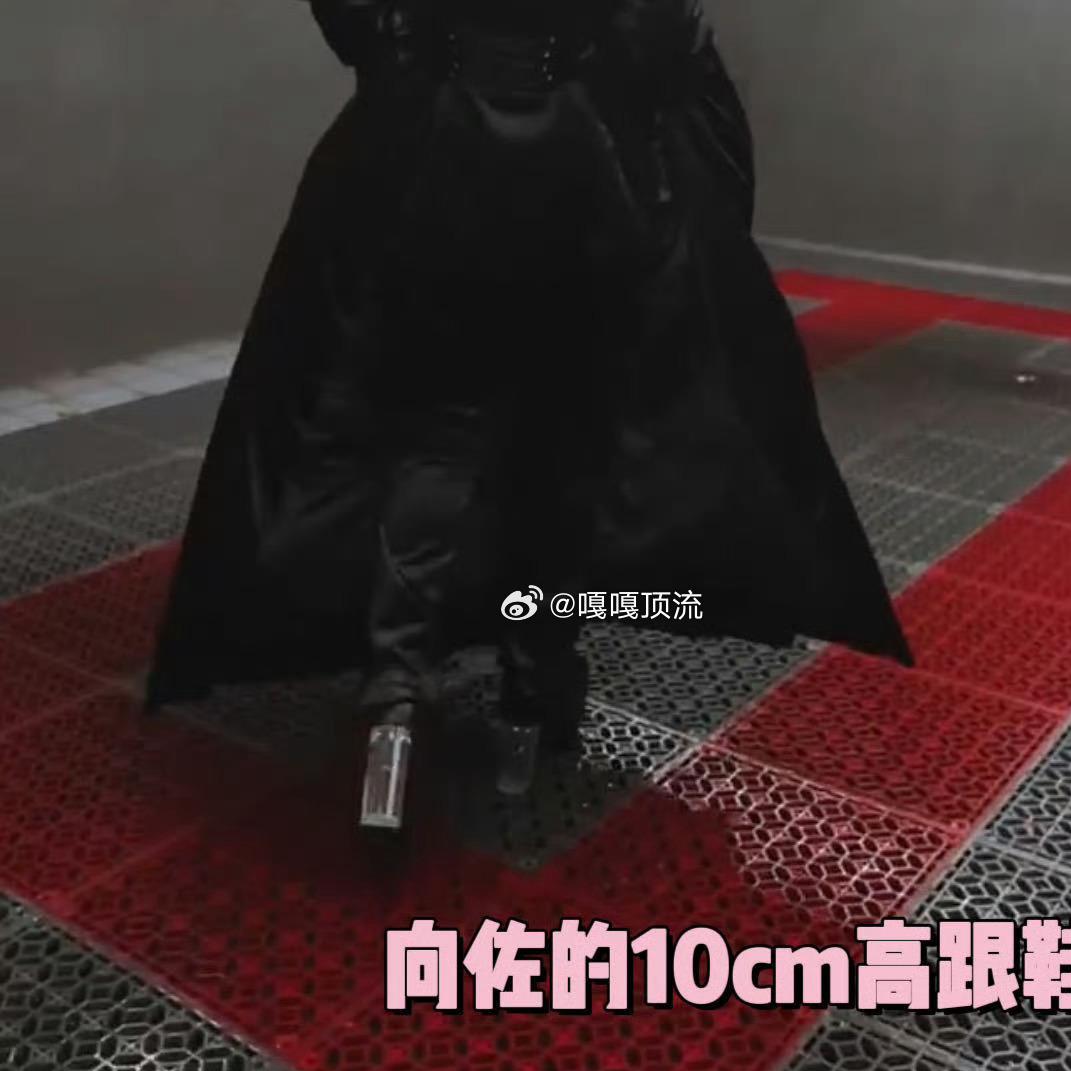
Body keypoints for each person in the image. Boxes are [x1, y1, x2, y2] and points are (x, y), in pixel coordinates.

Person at [145, 0, 912, 827]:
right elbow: (666, 33)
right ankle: (533, 689)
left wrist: (407, 62)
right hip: (579, 168)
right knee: (562, 444)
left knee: (437, 436)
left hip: (438, 153)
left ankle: (396, 694)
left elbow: (350, 14)